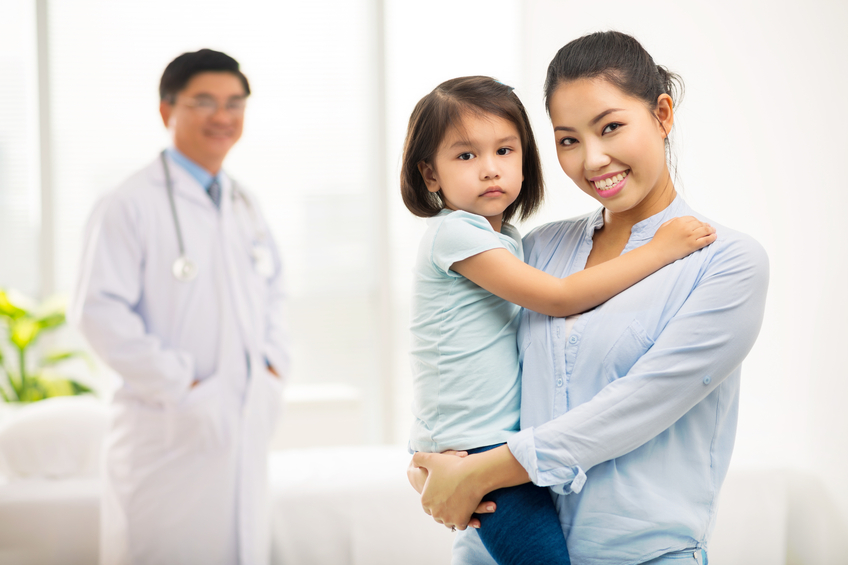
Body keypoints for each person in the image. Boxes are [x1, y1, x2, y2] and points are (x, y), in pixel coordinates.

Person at [410, 32, 769, 565]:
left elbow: (633, 408)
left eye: (611, 127)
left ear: (663, 114)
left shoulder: (727, 262)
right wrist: (429, 459)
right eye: (568, 139)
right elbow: (467, 354)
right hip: (496, 547)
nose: (593, 159)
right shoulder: (536, 249)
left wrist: (477, 472)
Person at [71, 49, 288, 565]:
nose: (223, 116)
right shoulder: (129, 202)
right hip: (166, 431)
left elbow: (273, 292)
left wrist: (273, 367)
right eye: (205, 102)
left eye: (235, 103)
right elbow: (97, 312)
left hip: (243, 420)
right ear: (167, 111)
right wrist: (183, 385)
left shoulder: (243, 202)